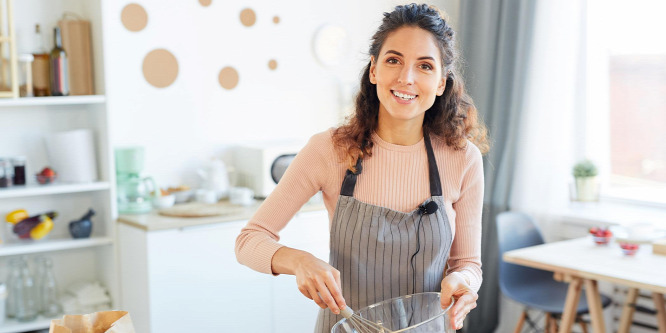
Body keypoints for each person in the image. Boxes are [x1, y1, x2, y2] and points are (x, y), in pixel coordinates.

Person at [235, 3, 489, 332]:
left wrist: (463, 280)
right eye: (393, 60)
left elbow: (468, 264)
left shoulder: (462, 158)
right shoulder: (329, 150)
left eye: (424, 66)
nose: (406, 78)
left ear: (441, 82)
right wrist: (298, 260)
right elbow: (249, 241)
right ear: (374, 70)